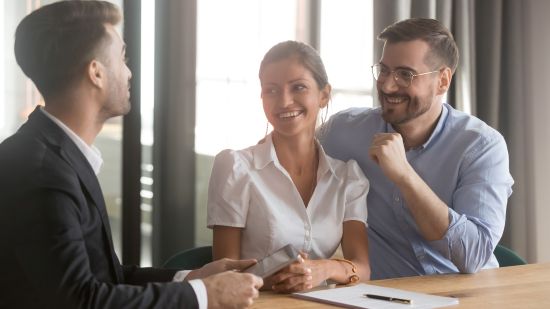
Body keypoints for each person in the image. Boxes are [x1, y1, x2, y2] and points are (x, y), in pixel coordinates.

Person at [0, 1, 262, 308]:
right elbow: (81, 301)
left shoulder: (57, 155)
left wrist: (196, 278)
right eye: (122, 57)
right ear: (95, 73)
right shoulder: (42, 171)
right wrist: (208, 295)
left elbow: (104, 278)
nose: (129, 72)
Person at [320, 18, 514, 280]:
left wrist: (405, 175)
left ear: (443, 81)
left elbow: (474, 255)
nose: (388, 85)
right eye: (384, 70)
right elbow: (282, 156)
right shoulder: (344, 131)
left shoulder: (481, 146)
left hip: (466, 296)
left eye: (405, 74)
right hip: (382, 297)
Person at [207, 41, 371, 293]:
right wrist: (272, 279)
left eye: (298, 87)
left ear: (324, 95)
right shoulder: (235, 167)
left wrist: (322, 269)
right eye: (271, 91)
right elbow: (224, 274)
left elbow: (362, 268)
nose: (284, 101)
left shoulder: (348, 178)